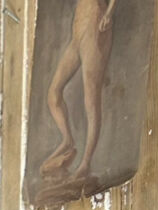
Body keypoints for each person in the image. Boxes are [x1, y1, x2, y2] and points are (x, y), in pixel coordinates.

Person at [40, 0, 117, 180]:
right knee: (53, 93)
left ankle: (85, 163)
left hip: (95, 28)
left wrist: (109, 14)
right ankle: (67, 139)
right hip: (78, 33)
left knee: (91, 99)